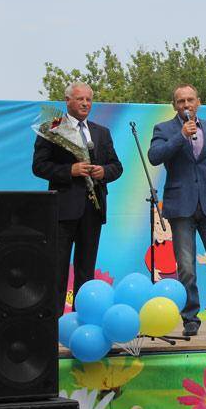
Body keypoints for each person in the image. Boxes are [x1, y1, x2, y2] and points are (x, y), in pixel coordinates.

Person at [147, 84, 206, 336]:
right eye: (181, 101)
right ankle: (190, 319)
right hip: (181, 207)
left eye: (190, 100)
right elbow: (155, 156)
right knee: (186, 267)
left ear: (198, 102)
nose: (186, 105)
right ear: (174, 105)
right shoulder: (164, 128)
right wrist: (181, 135)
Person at [32, 81, 123, 316]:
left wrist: (103, 172)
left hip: (93, 209)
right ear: (67, 101)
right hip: (63, 210)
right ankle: (54, 321)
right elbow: (39, 166)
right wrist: (69, 171)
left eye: (88, 99)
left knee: (86, 269)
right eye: (80, 99)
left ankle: (83, 317)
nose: (85, 103)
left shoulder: (101, 132)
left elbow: (116, 166)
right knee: (58, 267)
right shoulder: (52, 128)